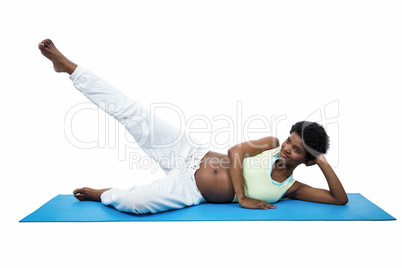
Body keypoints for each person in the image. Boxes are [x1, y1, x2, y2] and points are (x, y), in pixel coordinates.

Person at [38, 39, 348, 215]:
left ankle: (104, 194)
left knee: (136, 203)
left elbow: (339, 199)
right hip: (189, 151)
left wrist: (319, 158)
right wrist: (242, 198)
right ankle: (69, 68)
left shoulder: (290, 189)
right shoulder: (269, 142)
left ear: (305, 160)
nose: (287, 149)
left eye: (296, 151)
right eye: (290, 142)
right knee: (134, 113)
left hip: (192, 189)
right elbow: (235, 151)